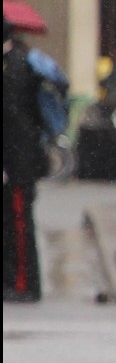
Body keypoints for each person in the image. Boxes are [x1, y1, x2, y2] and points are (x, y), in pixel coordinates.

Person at [3, 22, 49, 302]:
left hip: (18, 162)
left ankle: (24, 284)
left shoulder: (16, 68)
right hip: (15, 159)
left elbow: (14, 117)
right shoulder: (17, 63)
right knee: (11, 223)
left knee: (20, 225)